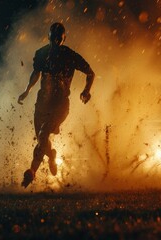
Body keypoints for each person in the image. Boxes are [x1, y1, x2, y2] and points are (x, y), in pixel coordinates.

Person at [18, 22, 95, 188]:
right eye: (53, 38)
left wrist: (86, 90)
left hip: (60, 105)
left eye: (59, 39)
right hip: (42, 104)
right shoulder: (41, 54)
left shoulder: (70, 55)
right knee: (42, 139)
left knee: (43, 134)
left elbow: (90, 73)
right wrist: (27, 91)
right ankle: (51, 156)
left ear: (64, 39)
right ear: (48, 37)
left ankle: (32, 171)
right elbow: (36, 73)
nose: (56, 42)